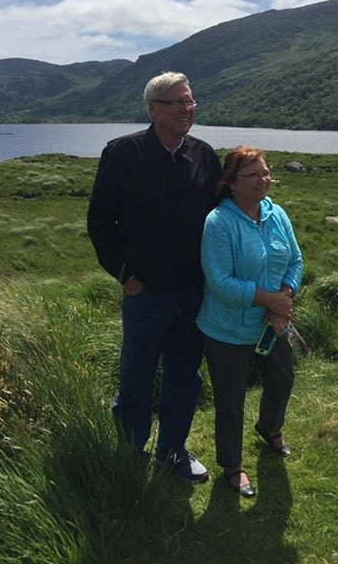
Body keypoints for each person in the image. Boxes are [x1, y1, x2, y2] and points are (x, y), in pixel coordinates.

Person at [87, 72, 222, 483]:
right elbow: (99, 220)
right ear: (153, 109)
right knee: (136, 377)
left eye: (191, 101)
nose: (187, 109)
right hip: (144, 292)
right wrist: (124, 273)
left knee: (185, 376)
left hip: (193, 291)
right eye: (177, 102)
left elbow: (221, 217)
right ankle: (129, 454)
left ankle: (171, 452)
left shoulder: (203, 155)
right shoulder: (123, 153)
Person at [196, 146, 303, 498]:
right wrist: (267, 298)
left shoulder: (277, 215)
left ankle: (269, 428)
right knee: (230, 399)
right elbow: (220, 282)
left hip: (271, 323)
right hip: (226, 328)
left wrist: (280, 301)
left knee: (282, 377)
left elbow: (295, 261)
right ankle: (232, 466)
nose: (264, 180)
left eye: (266, 172)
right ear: (231, 183)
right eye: (254, 175)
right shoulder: (219, 223)